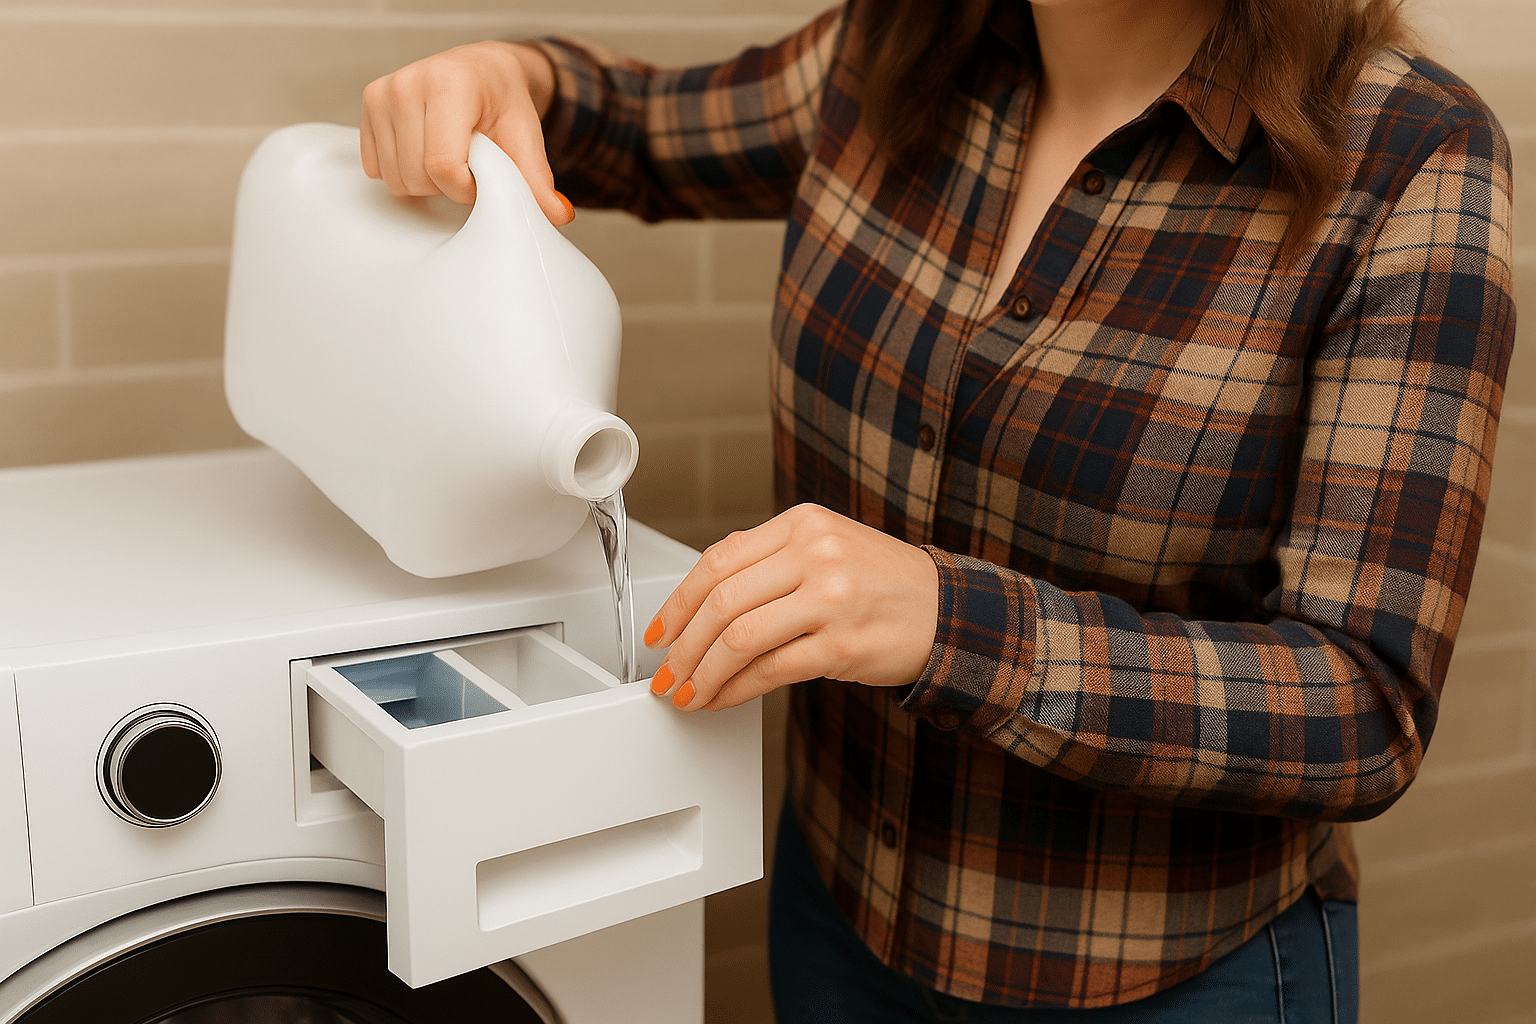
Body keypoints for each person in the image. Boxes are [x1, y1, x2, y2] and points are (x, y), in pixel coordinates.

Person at [360, 0, 1516, 1019]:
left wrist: (951, 624)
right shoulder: (890, 47)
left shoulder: (1411, 157)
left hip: (1170, 974)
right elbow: (643, 129)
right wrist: (521, 77)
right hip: (842, 919)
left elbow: (1364, 705)